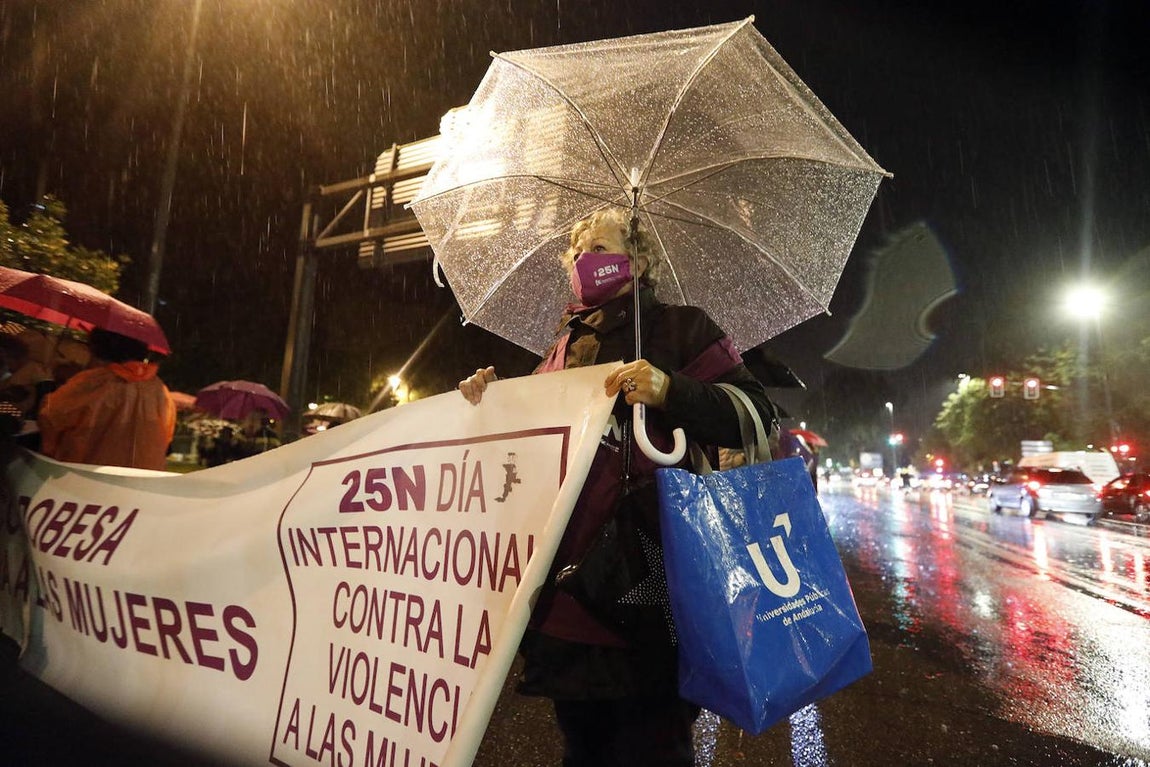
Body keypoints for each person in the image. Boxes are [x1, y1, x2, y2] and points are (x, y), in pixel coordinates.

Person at [459, 207, 777, 767]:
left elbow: (756, 412)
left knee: (653, 749)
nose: (587, 259)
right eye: (579, 250)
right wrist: (487, 403)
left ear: (641, 261)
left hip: (652, 590)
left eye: (602, 247)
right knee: (582, 750)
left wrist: (669, 389)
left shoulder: (683, 329)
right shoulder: (559, 351)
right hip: (568, 601)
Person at [37, 328, 176, 471]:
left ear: (98, 350)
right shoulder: (159, 389)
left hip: (86, 478)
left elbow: (50, 417)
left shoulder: (92, 382)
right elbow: (166, 436)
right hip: (141, 483)